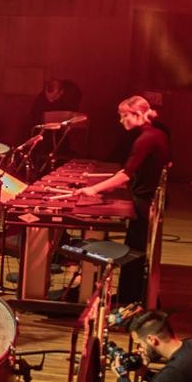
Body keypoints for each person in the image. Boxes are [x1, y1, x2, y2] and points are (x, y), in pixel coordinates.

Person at [72, 95, 170, 307]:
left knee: (133, 253)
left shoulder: (145, 139)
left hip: (142, 203)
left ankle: (129, 300)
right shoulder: (158, 133)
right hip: (146, 199)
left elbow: (125, 175)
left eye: (123, 116)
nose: (120, 121)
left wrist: (93, 189)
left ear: (136, 114)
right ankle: (128, 297)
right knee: (134, 252)